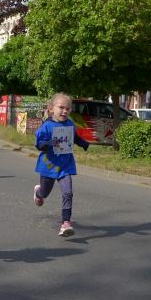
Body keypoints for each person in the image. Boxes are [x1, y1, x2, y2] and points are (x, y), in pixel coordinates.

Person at [32, 93, 89, 237]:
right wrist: (50, 143)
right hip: (49, 166)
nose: (65, 111)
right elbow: (39, 145)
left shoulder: (70, 124)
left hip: (65, 165)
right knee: (45, 192)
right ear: (51, 108)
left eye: (68, 109)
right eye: (61, 107)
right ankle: (38, 192)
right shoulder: (47, 126)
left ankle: (65, 223)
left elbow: (74, 137)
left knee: (68, 193)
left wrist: (84, 143)